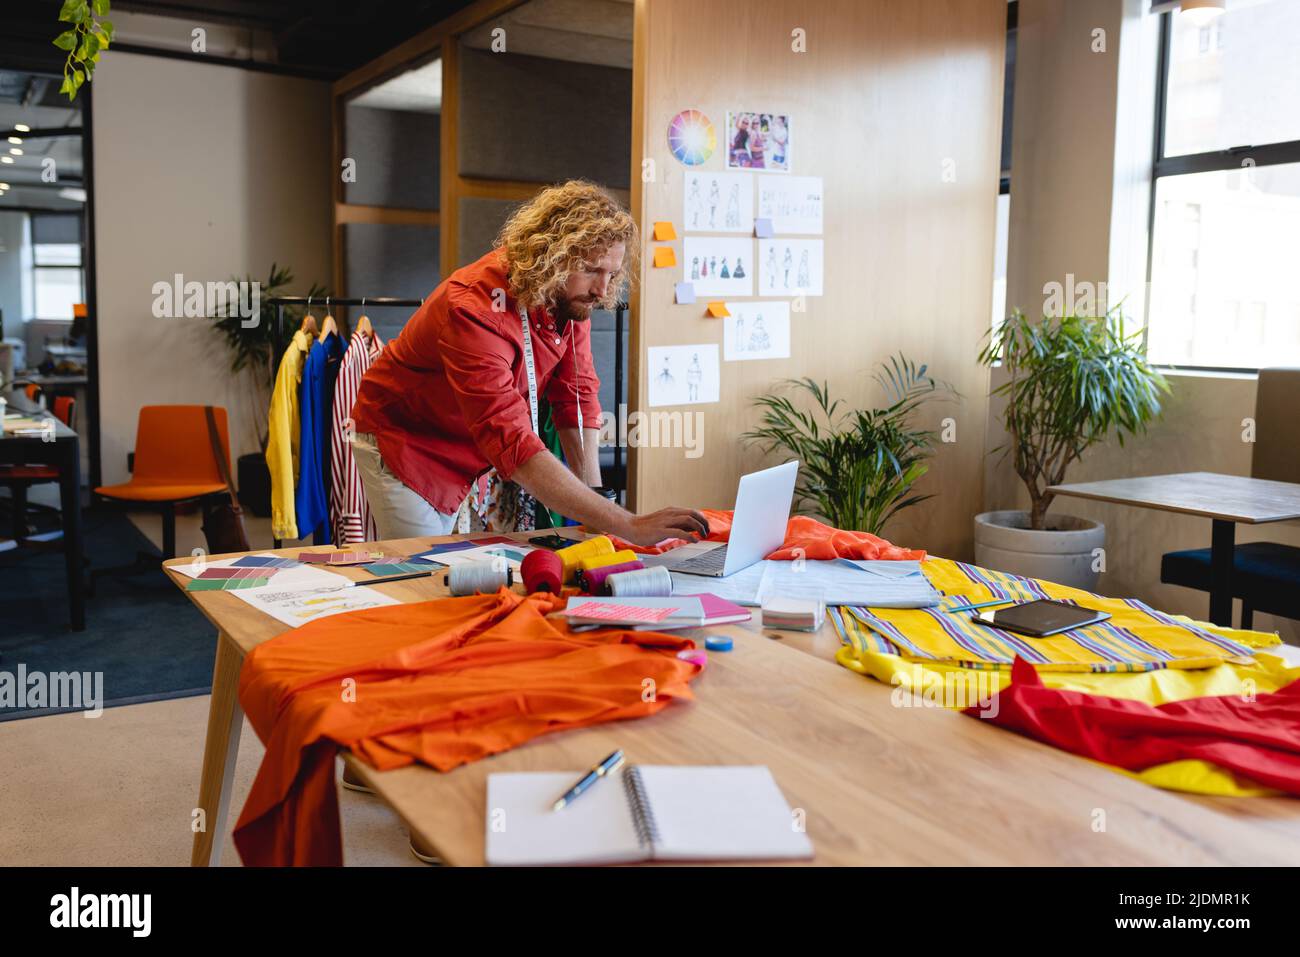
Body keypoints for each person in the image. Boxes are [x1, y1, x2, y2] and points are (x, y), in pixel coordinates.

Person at [349, 180, 707, 547]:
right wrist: (627, 523)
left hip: (470, 445)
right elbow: (510, 437)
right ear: (551, 256)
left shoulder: (568, 298)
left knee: (459, 566)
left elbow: (576, 394)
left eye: (611, 275)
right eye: (591, 269)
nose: (602, 291)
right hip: (409, 442)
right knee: (423, 569)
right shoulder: (473, 309)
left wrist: (597, 500)